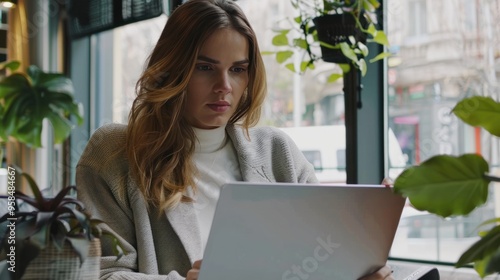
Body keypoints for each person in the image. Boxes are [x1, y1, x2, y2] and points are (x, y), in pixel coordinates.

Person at [76, 0, 394, 279]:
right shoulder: (113, 154)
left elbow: (317, 260)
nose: (224, 86)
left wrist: (357, 268)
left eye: (238, 69)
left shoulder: (277, 152)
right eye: (204, 67)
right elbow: (100, 274)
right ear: (172, 70)